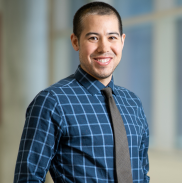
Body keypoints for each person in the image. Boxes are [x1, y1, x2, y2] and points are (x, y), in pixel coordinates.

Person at [13, 2, 150, 183]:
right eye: (93, 38)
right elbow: (28, 178)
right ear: (75, 41)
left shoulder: (133, 103)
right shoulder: (52, 102)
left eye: (112, 37)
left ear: (122, 41)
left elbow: (142, 173)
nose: (104, 47)